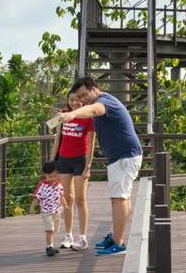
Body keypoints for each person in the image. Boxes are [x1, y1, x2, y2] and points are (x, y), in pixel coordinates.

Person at [58, 75, 143, 255]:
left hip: (125, 157)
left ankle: (118, 244)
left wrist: (72, 114)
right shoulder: (104, 101)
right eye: (79, 97)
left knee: (119, 198)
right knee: (121, 197)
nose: (82, 100)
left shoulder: (105, 101)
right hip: (120, 157)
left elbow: (94, 110)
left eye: (83, 95)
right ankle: (116, 237)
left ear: (94, 88)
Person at [50, 90, 96, 250]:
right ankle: (68, 236)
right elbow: (57, 138)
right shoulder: (63, 115)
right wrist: (51, 161)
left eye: (77, 100)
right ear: (68, 101)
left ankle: (82, 238)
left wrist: (89, 164)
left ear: (82, 101)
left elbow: (91, 142)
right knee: (67, 199)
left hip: (80, 160)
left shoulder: (88, 117)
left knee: (80, 199)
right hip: (64, 160)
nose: (74, 103)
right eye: (71, 100)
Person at [29, 161, 64, 257]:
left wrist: (65, 205)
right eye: (50, 176)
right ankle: (49, 247)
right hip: (46, 211)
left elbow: (61, 195)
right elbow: (36, 198)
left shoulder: (58, 184)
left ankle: (52, 245)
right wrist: (32, 208)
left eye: (55, 176)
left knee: (55, 229)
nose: (53, 178)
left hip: (56, 211)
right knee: (50, 230)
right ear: (44, 175)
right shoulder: (42, 186)